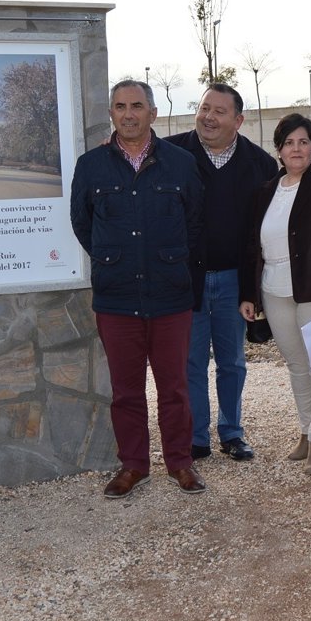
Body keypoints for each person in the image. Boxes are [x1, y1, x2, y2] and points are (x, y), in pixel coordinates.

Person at [70, 80, 205, 498]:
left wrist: (168, 263)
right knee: (126, 391)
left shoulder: (181, 163)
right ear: (111, 113)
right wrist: (113, 259)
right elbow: (82, 224)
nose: (128, 114)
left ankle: (180, 463)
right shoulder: (91, 165)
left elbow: (195, 224)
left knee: (175, 388)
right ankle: (133, 465)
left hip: (170, 296)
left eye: (137, 106)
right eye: (120, 106)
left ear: (153, 113)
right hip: (117, 298)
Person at [166, 84, 277, 462]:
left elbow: (265, 231)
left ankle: (231, 432)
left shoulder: (260, 165)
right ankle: (196, 436)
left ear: (238, 120)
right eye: (204, 108)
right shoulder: (170, 153)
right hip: (187, 279)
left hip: (233, 280)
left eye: (219, 111)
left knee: (232, 362)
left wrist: (254, 290)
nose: (208, 117)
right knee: (191, 362)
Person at [240, 113, 311, 474]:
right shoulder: (265, 191)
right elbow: (252, 246)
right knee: (297, 365)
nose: (296, 148)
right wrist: (249, 295)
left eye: (303, 142)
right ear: (279, 150)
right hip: (274, 290)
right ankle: (306, 432)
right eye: (289, 142)